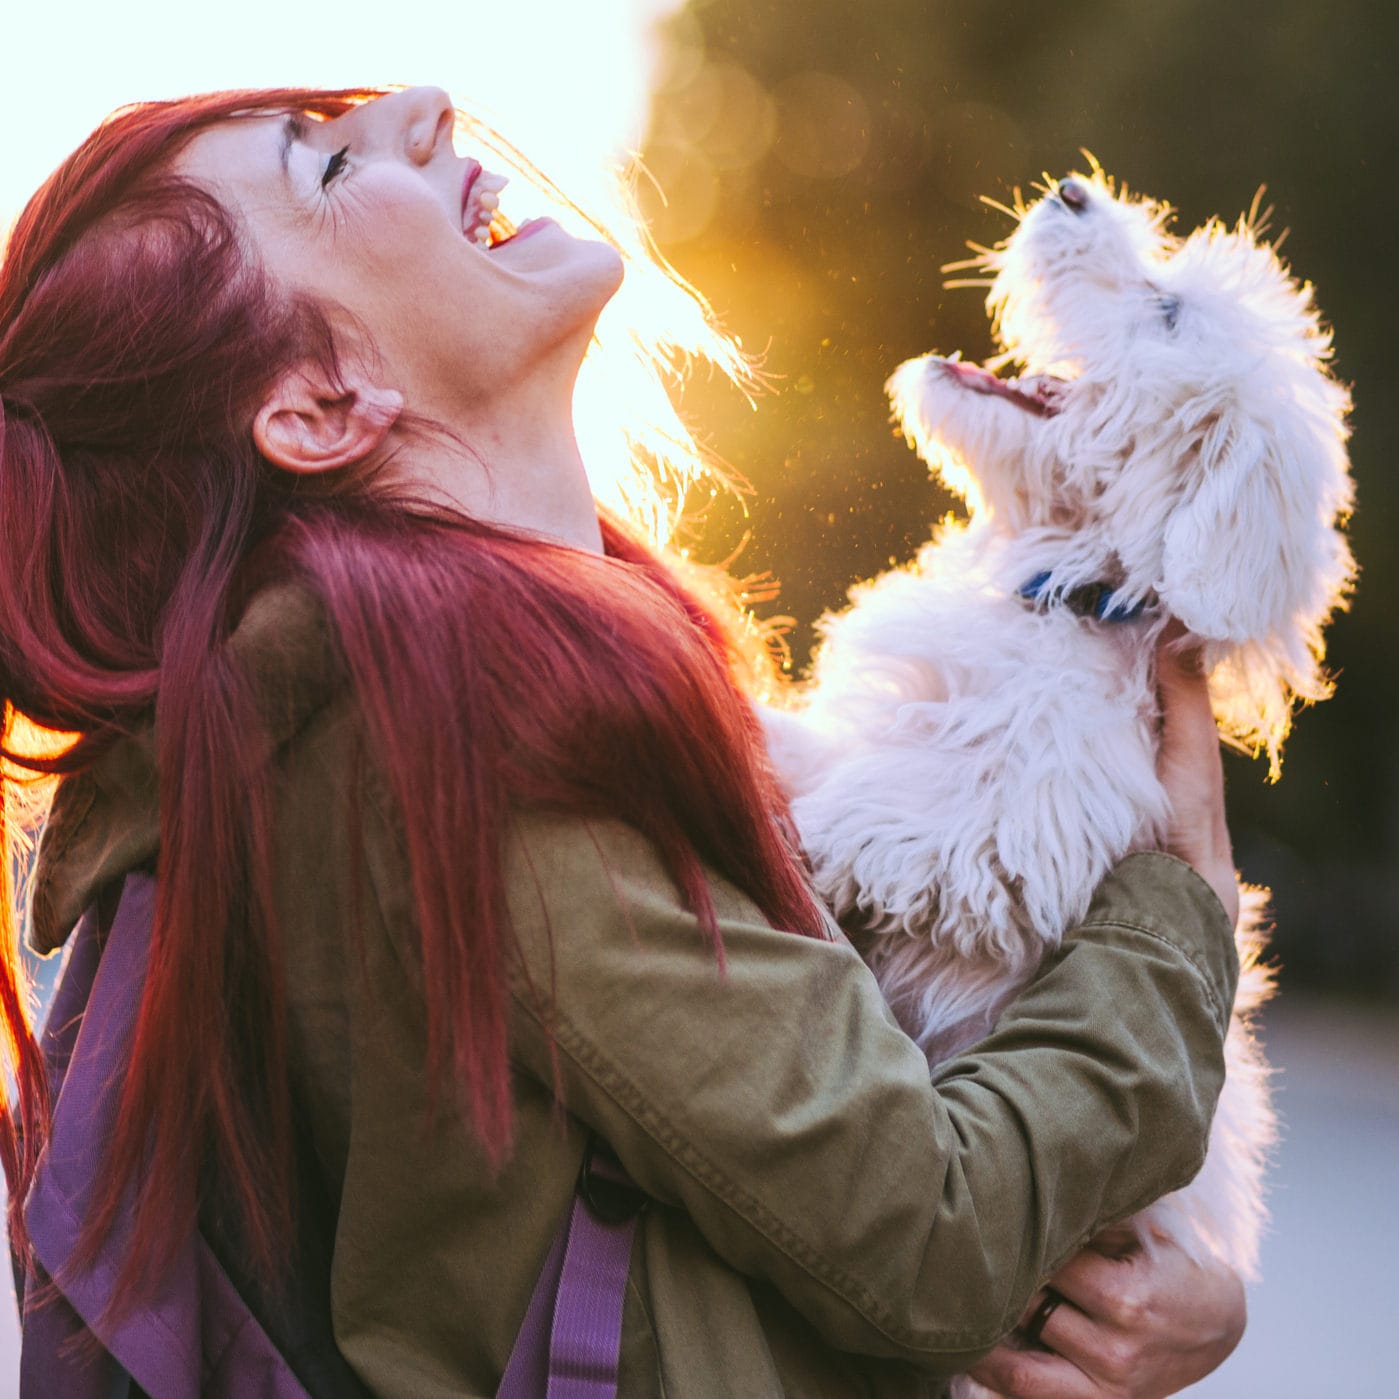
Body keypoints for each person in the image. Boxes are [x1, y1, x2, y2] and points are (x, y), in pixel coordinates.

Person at [0, 86, 1246, 1397]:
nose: (419, 109)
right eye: (326, 166)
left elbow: (750, 1183)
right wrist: (1178, 921)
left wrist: (1131, 1286)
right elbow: (926, 1233)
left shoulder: (411, 701)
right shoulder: (469, 738)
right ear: (318, 407)